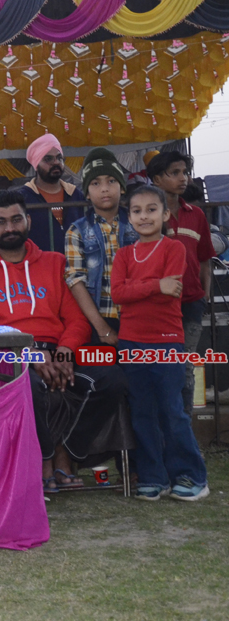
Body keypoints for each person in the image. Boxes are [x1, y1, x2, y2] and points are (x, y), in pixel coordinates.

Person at [0, 190, 125, 493]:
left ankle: (67, 452)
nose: (10, 227)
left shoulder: (55, 262)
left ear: (28, 221)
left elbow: (76, 319)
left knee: (112, 379)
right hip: (8, 355)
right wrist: (29, 354)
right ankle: (44, 458)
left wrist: (65, 352)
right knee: (28, 385)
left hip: (59, 351)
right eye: (1, 222)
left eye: (16, 219)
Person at [111, 185, 209, 501]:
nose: (144, 216)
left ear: (165, 214)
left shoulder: (174, 248)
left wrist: (137, 288)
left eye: (151, 209)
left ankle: (192, 477)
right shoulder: (124, 255)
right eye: (136, 211)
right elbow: (118, 293)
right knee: (142, 413)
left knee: (172, 411)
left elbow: (170, 291)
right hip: (131, 343)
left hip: (167, 342)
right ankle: (154, 477)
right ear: (128, 218)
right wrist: (156, 285)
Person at [147, 151, 214, 412]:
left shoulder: (196, 215)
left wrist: (204, 295)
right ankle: (163, 428)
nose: (183, 178)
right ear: (156, 179)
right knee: (160, 368)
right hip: (157, 305)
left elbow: (205, 259)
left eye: (185, 172)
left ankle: (183, 430)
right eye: (174, 173)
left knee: (185, 369)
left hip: (191, 303)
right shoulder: (147, 215)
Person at [64, 148, 139, 346]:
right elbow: (75, 281)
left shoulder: (138, 224)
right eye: (96, 183)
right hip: (99, 320)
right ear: (87, 193)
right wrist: (102, 328)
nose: (104, 189)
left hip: (139, 317)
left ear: (122, 187)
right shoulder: (77, 231)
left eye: (111, 181)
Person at [21, 133, 85, 253]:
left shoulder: (75, 194)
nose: (56, 162)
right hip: (38, 263)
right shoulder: (23, 198)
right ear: (36, 165)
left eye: (59, 158)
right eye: (48, 159)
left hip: (75, 262)